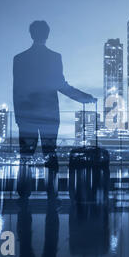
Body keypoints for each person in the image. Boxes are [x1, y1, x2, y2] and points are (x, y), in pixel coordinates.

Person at [13, 20, 96, 169]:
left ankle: (24, 192)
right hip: (49, 115)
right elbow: (61, 85)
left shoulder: (19, 59)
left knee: (25, 156)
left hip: (27, 116)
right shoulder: (54, 57)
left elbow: (17, 90)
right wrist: (83, 98)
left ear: (31, 34)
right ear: (47, 35)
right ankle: (52, 190)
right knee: (50, 154)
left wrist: (19, 117)